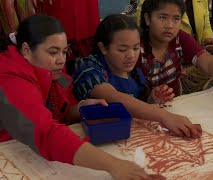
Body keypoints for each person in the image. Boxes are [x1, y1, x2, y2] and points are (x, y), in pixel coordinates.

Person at [0, 14, 156, 180]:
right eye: (53, 52)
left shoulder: (51, 72)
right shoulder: (10, 78)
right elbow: (45, 132)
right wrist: (114, 165)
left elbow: (61, 114)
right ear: (26, 50)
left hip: (29, 154)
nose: (61, 60)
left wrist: (80, 107)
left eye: (64, 51)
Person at [72, 14, 201, 138]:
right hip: (91, 137)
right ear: (103, 48)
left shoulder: (135, 73)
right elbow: (114, 97)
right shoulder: (88, 66)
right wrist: (166, 116)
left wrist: (152, 99)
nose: (131, 55)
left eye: (136, 48)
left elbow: (135, 106)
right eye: (122, 49)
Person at [137, 0, 213, 94]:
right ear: (147, 18)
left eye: (176, 19)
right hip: (181, 64)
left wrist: (207, 37)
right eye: (163, 18)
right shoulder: (138, 50)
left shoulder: (180, 38)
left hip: (188, 61)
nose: (170, 26)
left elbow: (206, 23)